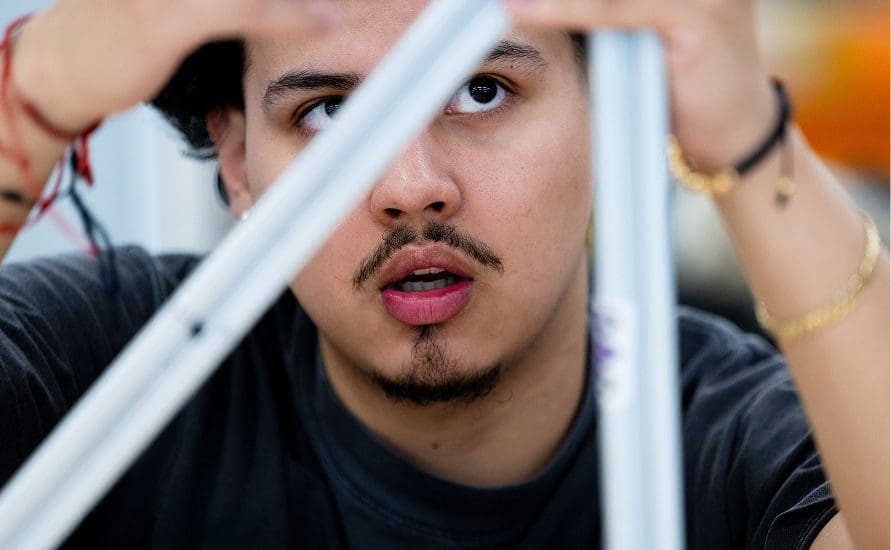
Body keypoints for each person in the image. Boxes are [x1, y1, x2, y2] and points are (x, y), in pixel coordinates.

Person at [0, 0, 887, 548]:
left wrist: (743, 132)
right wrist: (33, 92)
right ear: (237, 159)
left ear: (608, 114)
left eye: (482, 91)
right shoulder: (107, 377)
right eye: (331, 111)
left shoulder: (739, 447)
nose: (411, 188)